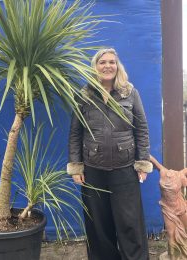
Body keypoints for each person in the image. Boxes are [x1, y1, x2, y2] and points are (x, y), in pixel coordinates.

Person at [67, 48, 153, 260]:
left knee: (130, 223)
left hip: (125, 169)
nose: (107, 66)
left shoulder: (130, 93)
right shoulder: (84, 94)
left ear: (118, 66)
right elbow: (75, 132)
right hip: (93, 170)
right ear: (95, 67)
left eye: (112, 62)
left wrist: (142, 163)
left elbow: (141, 128)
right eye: (102, 62)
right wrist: (76, 165)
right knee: (98, 224)